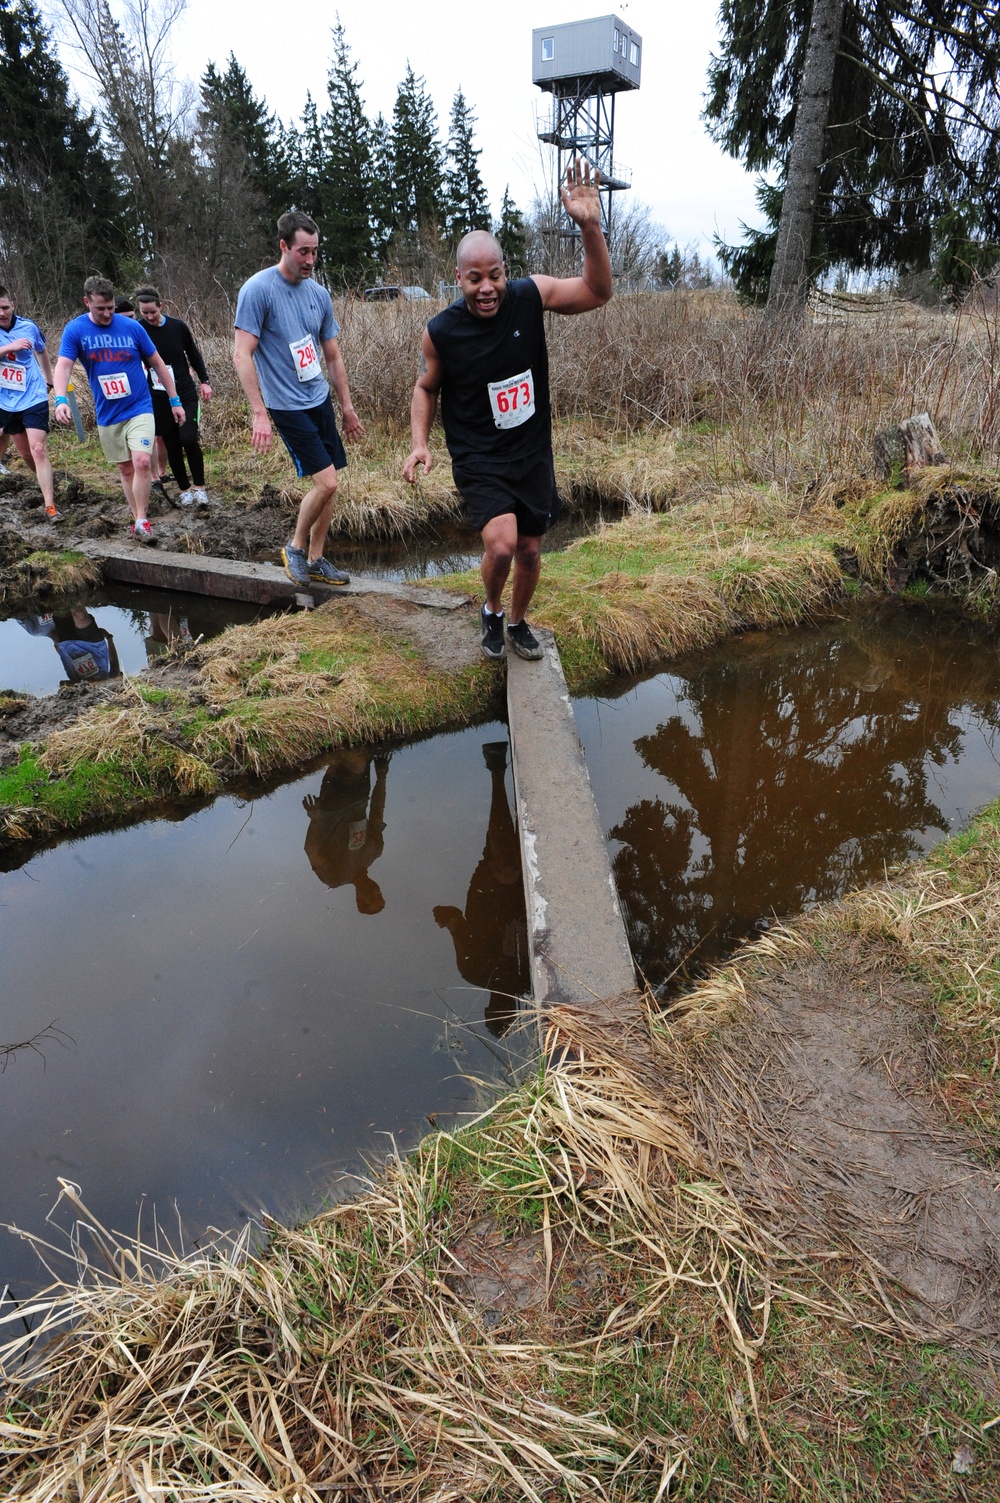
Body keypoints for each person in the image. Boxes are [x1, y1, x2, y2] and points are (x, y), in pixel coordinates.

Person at [404, 161, 612, 661]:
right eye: (475, 279)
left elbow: (598, 292)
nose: (487, 288)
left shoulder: (529, 296)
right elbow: (425, 388)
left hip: (531, 451)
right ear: (459, 278)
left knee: (532, 551)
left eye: (494, 275)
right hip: (479, 456)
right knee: (500, 546)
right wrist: (419, 444)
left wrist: (589, 226)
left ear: (504, 270)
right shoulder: (442, 331)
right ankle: (492, 610)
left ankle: (517, 622)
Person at [233, 210, 363, 587]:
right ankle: (294, 547)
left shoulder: (319, 295)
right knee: (327, 484)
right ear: (284, 246)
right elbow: (242, 354)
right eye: (302, 251)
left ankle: (317, 558)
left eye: (315, 252)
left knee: (331, 480)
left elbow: (333, 356)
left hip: (317, 396)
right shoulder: (258, 290)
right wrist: (259, 413)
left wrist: (348, 408)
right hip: (286, 405)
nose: (309, 260)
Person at [53, 276, 185, 542]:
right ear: (87, 302)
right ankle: (136, 516)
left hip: (139, 405)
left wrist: (175, 400)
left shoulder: (132, 328)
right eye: (100, 308)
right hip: (108, 413)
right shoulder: (75, 330)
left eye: (111, 308)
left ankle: (142, 520)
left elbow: (158, 364)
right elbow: (64, 366)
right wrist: (60, 399)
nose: (106, 314)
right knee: (126, 469)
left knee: (143, 461)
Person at [135, 285, 212, 506]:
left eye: (153, 311)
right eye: (145, 313)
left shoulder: (178, 327)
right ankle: (184, 489)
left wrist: (205, 381)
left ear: (161, 306)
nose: (149, 316)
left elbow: (194, 355)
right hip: (158, 396)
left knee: (188, 437)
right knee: (172, 444)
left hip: (185, 392)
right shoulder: (139, 330)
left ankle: (200, 487)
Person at [0, 284, 60, 521]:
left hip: (33, 395)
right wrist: (9, 348)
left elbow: (42, 351)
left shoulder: (28, 326)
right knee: (25, 453)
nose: (2, 313)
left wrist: (49, 380)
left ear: (12, 304)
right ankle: (45, 482)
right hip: (6, 400)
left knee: (38, 449)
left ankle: (50, 505)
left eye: (5, 307)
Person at [303, 750, 389, 915]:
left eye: (371, 898)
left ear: (359, 898)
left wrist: (315, 820)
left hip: (332, 808)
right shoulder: (375, 851)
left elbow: (311, 850)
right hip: (360, 796)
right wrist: (381, 778)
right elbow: (377, 813)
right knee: (362, 754)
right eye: (379, 894)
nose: (375, 891)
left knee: (355, 760)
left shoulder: (334, 878)